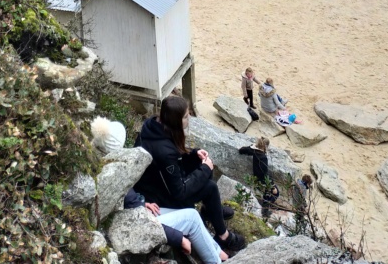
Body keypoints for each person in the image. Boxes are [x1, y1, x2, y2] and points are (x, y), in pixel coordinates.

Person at [91, 117, 228, 264]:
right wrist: (178, 238)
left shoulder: (100, 166)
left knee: (192, 215)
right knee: (192, 218)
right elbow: (132, 214)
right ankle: (216, 259)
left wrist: (141, 203)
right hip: (134, 225)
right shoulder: (116, 174)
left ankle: (218, 252)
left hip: (138, 214)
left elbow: (128, 200)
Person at [134, 95, 246, 252]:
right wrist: (205, 168)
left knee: (201, 162)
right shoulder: (164, 150)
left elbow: (174, 157)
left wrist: (194, 154)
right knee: (210, 187)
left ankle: (210, 210)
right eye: (186, 116)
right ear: (176, 120)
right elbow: (179, 192)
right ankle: (223, 236)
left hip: (158, 185)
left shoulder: (154, 126)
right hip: (159, 199)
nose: (189, 117)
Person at [238, 138, 279, 219]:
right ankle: (265, 211)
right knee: (275, 193)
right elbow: (265, 173)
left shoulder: (254, 151)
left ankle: (265, 208)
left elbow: (241, 150)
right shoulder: (263, 157)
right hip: (262, 179)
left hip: (256, 176)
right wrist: (272, 185)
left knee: (266, 194)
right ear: (266, 146)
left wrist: (251, 147)